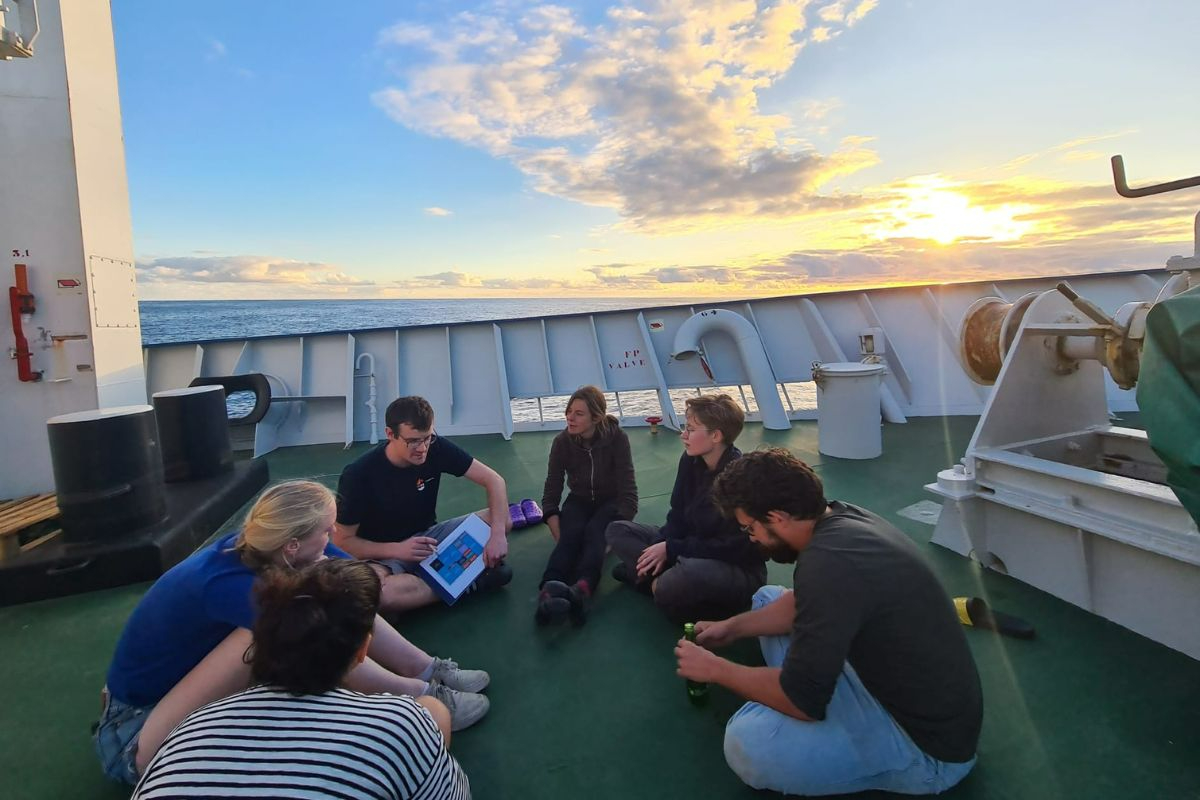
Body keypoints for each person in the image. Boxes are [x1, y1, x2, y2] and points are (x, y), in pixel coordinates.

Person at [95, 481, 490, 787]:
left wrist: (419, 662)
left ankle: (426, 671)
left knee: (336, 591)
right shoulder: (230, 587)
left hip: (177, 697)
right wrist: (414, 697)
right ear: (293, 544)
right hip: (138, 737)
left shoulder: (269, 545)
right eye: (327, 530)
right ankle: (419, 693)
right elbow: (328, 649)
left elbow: (353, 589)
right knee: (291, 633)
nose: (333, 536)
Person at [675, 448, 983, 796]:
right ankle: (799, 677)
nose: (752, 539)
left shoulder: (828, 564)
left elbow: (802, 701)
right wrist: (732, 627)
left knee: (748, 742)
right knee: (768, 599)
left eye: (750, 528)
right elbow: (803, 603)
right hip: (884, 676)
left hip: (926, 747)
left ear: (777, 517)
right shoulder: (839, 517)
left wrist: (716, 669)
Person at [132, 559, 472, 800]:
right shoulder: (398, 726)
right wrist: (429, 717)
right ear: (361, 653)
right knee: (432, 714)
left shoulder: (192, 727)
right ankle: (426, 692)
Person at [335, 396, 513, 612]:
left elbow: (494, 480)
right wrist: (398, 549)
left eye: (427, 438)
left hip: (429, 541)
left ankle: (424, 587)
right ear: (390, 434)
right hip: (382, 554)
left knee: (501, 519)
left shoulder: (435, 448)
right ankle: (471, 581)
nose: (422, 449)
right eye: (412, 441)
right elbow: (342, 541)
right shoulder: (358, 475)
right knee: (379, 593)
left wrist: (497, 536)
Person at [606, 394, 766, 623]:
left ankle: (650, 581)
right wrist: (661, 545)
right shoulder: (690, 460)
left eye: (691, 429)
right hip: (687, 548)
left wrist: (670, 549)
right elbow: (677, 514)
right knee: (617, 530)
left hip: (731, 567)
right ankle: (659, 584)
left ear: (716, 436)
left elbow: (731, 548)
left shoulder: (738, 479)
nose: (683, 435)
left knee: (687, 573)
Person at [535, 386, 638, 626]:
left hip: (610, 502)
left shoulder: (617, 439)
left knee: (594, 535)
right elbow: (552, 487)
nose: (570, 417)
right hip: (579, 499)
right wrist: (553, 521)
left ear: (597, 416)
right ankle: (548, 591)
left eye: (579, 413)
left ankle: (582, 590)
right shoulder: (562, 442)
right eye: (569, 411)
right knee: (571, 535)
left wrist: (617, 531)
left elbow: (628, 490)